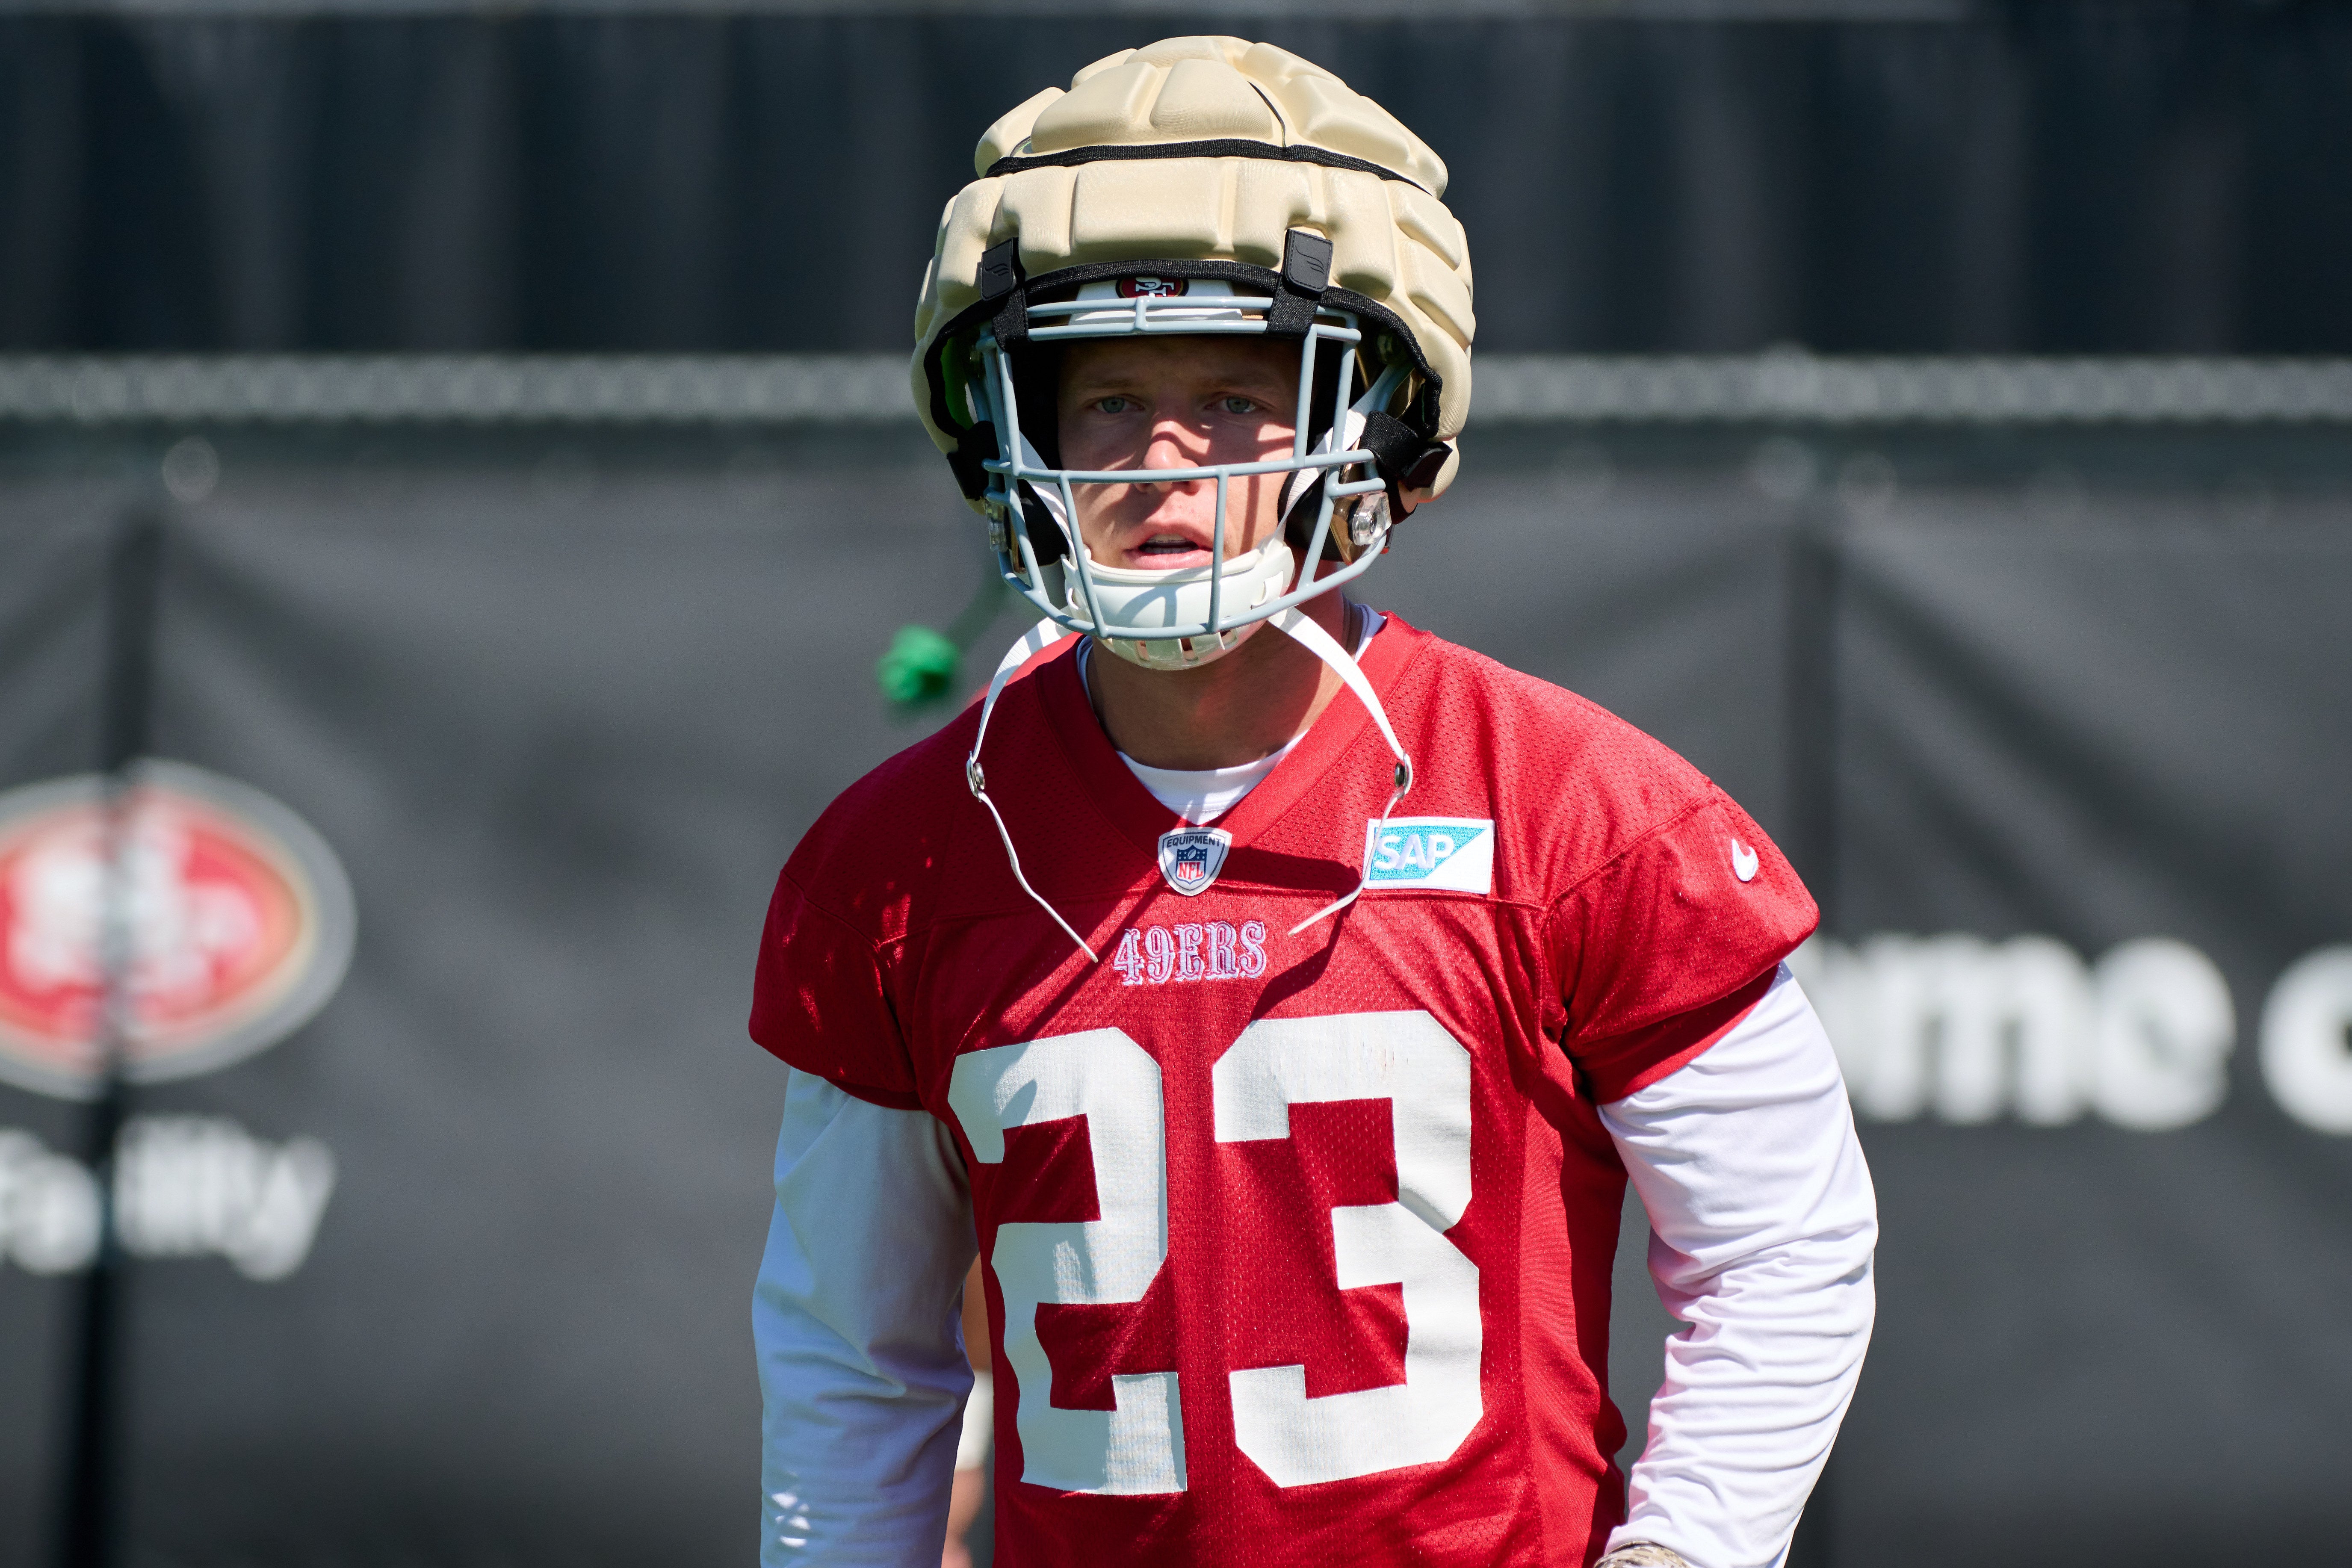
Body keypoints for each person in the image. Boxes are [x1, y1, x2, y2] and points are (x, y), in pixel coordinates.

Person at [751, 37, 1875, 1568]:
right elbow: (854, 1350)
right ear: (1013, 431)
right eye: (1105, 398)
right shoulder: (902, 857)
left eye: (1229, 397)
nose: (1161, 457)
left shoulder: (1578, 812)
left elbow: (1779, 1251)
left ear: (1377, 426)